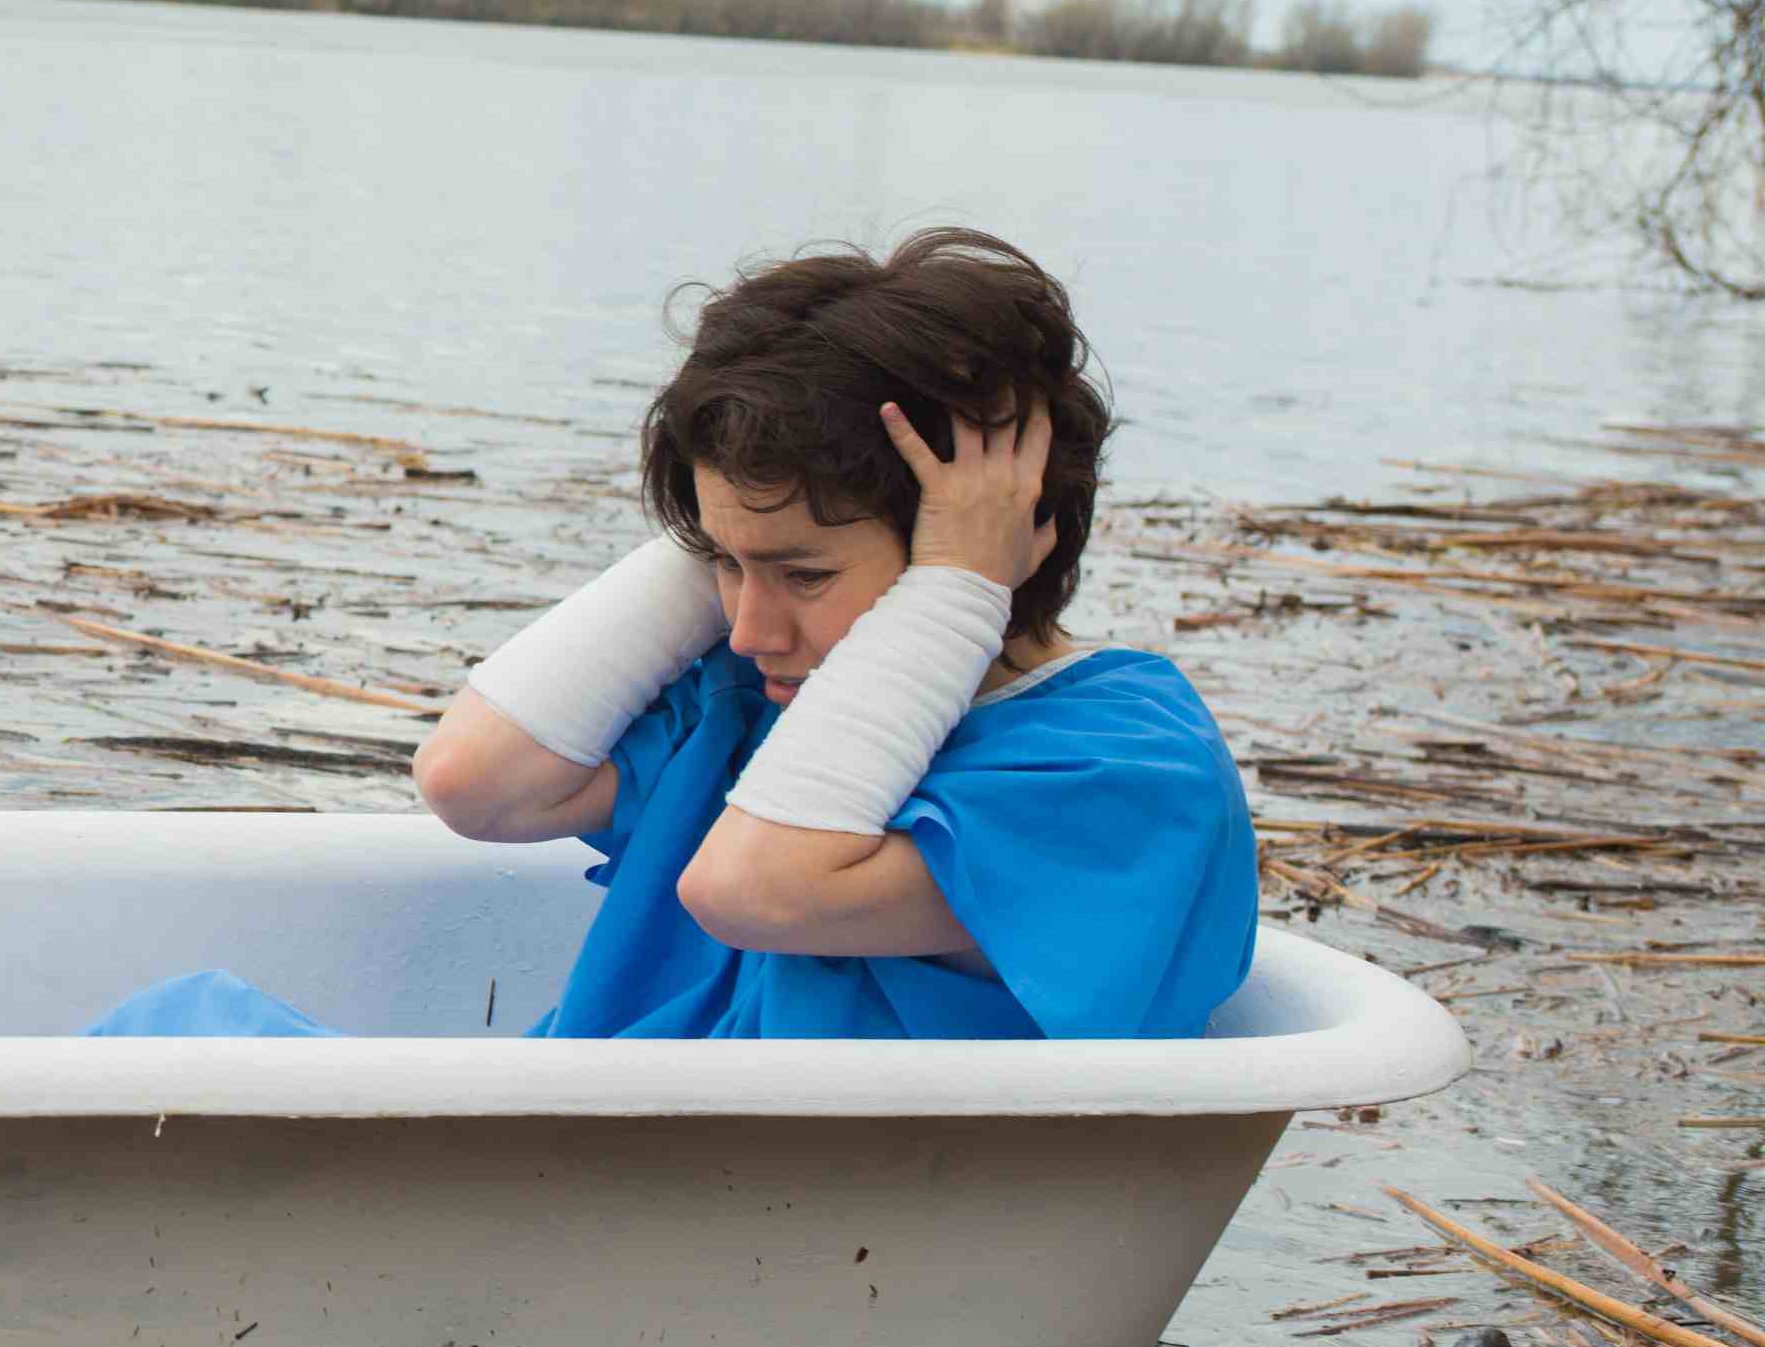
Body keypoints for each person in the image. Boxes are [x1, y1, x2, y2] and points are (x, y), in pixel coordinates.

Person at [90, 228, 1257, 1041]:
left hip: (725, 1227)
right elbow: (476, 783)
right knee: (167, 1034)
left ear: (1002, 538)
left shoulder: (1117, 772)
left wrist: (956, 587)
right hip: (571, 1182)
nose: (749, 627)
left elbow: (758, 887)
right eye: (721, 570)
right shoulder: (755, 694)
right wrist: (736, 512)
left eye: (800, 573)